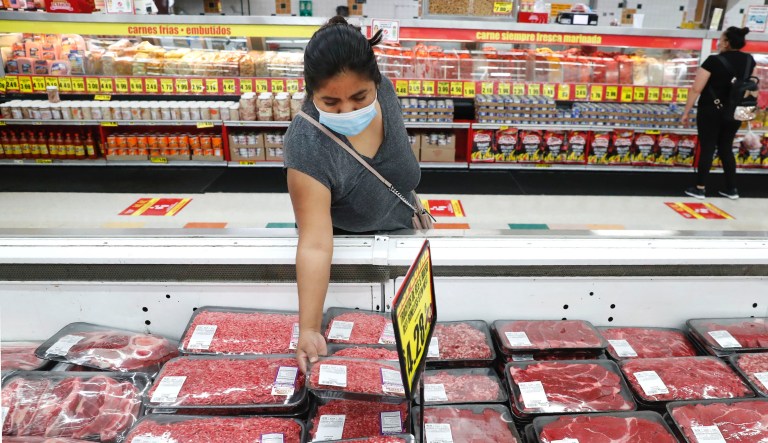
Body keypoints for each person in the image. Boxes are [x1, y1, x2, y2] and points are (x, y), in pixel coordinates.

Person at [284, 16, 422, 373]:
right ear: (311, 91)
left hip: (405, 237)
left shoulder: (385, 92)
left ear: (376, 81)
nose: (348, 110)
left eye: (359, 97)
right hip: (351, 262)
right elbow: (315, 243)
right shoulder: (307, 142)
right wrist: (310, 328)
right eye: (330, 102)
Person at [682, 26, 754, 200]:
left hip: (711, 110)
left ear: (727, 43)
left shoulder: (713, 61)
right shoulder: (749, 60)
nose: (718, 42)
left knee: (708, 147)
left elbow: (696, 88)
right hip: (737, 110)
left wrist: (686, 111)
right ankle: (732, 189)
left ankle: (699, 188)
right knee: (726, 148)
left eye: (721, 39)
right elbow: (750, 85)